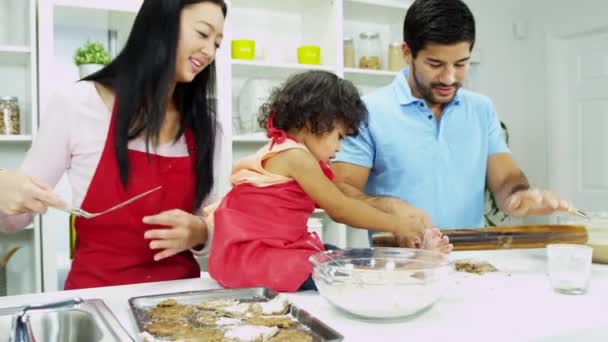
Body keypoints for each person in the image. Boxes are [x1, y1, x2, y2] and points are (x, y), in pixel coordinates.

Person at [0, 0, 227, 289]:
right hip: (97, 300)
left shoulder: (207, 126)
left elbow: (213, 220)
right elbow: (13, 222)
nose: (209, 52)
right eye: (203, 33)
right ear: (160, 25)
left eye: (217, 44)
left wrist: (201, 232)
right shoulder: (79, 104)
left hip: (178, 302)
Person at [332, 0, 570, 245]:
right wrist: (388, 207)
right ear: (407, 53)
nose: (449, 78)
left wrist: (518, 194)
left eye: (460, 64)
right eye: (435, 64)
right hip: (401, 267)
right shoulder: (369, 111)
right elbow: (340, 193)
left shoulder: (481, 108)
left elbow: (505, 177)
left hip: (473, 262)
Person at [207, 70, 452, 293]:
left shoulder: (290, 152)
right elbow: (340, 209)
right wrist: (396, 224)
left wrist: (398, 214)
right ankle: (411, 271)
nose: (339, 147)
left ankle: (410, 264)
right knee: (340, 272)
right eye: (339, 137)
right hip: (257, 257)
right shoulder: (296, 157)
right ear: (313, 121)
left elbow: (347, 197)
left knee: (340, 254)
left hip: (275, 247)